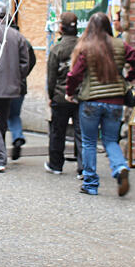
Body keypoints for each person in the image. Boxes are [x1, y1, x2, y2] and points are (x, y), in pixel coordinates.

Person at [66, 12, 135, 196]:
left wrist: (70, 92)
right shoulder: (120, 44)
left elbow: (74, 75)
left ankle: (91, 184)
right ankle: (120, 167)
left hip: (91, 102)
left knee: (89, 142)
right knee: (111, 140)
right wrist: (126, 79)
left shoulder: (86, 47)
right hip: (116, 101)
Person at [0, 0, 31, 172]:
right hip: (11, 87)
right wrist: (17, 77)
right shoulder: (16, 35)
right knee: (1, 121)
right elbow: (25, 62)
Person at [44, 12, 81, 176]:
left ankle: (56, 164)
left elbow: (51, 77)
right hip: (81, 95)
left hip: (60, 95)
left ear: (61, 27)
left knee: (58, 131)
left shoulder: (57, 49)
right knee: (82, 133)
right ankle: (83, 167)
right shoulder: (83, 46)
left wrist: (51, 96)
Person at [7, 24, 36, 161]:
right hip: (20, 85)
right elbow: (32, 61)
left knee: (0, 117)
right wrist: (23, 76)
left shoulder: (3, 42)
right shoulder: (25, 42)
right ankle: (18, 136)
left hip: (5, 85)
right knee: (14, 115)